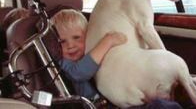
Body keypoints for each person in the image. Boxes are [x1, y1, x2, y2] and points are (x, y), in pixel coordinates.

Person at [51, 9, 183, 109]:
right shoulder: (64, 63)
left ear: (88, 35)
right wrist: (107, 41)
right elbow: (79, 73)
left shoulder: (93, 51)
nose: (70, 45)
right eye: (62, 41)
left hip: (123, 97)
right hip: (101, 105)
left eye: (76, 38)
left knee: (163, 104)